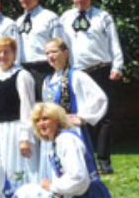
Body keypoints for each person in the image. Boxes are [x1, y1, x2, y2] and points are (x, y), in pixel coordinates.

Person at [0, 103, 134, 198]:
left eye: (46, 119)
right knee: (28, 192)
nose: (41, 124)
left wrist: (52, 186)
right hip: (81, 194)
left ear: (58, 120)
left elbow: (79, 179)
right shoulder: (58, 140)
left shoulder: (67, 141)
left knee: (27, 195)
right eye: (37, 121)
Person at [60, 0, 124, 174]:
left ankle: (104, 160)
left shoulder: (103, 17)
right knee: (77, 115)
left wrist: (117, 66)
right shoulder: (65, 18)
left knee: (104, 117)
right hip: (77, 72)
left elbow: (114, 41)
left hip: (100, 70)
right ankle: (81, 160)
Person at [39, 38, 108, 181]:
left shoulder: (76, 75)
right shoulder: (47, 81)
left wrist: (82, 117)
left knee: (75, 171)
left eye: (54, 52)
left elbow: (99, 98)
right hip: (51, 134)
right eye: (47, 53)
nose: (50, 56)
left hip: (71, 132)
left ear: (65, 53)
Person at [0, 37, 37, 190]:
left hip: (13, 130)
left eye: (7, 52)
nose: (3, 56)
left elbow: (27, 108)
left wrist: (25, 137)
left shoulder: (21, 75)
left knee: (14, 170)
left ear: (14, 53)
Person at [16, 0, 66, 101]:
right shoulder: (18, 22)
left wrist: (60, 69)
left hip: (45, 67)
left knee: (47, 104)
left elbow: (59, 43)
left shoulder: (49, 17)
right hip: (24, 69)